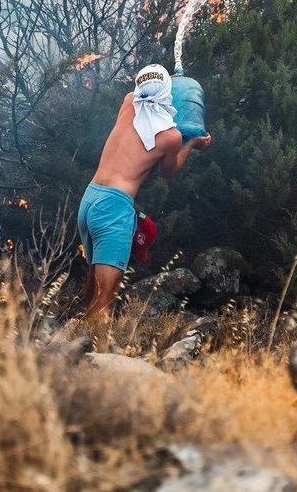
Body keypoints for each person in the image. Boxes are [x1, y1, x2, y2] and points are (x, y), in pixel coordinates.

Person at [77, 64, 210, 321]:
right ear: (167, 94)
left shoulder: (129, 103)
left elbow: (145, 90)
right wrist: (192, 143)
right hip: (114, 207)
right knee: (105, 298)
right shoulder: (170, 137)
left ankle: (78, 342)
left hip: (90, 198)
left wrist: (162, 81)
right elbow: (168, 172)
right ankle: (92, 351)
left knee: (94, 283)